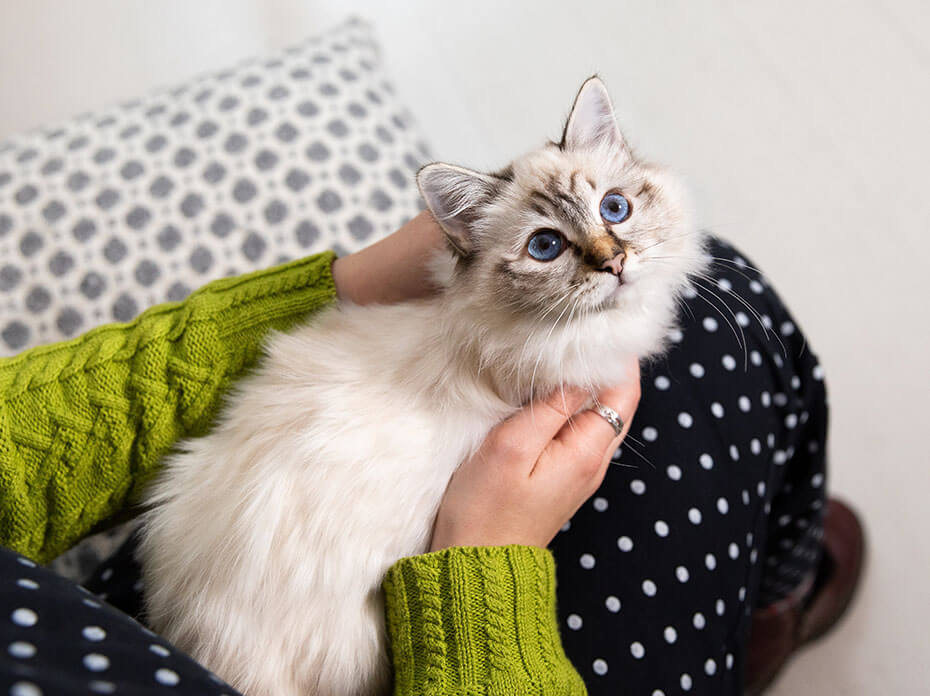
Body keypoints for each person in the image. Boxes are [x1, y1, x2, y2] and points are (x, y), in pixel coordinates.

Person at [0, 211, 863, 695]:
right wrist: (486, 570)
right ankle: (773, 606)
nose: (609, 252)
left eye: (612, 212)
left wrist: (338, 289)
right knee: (718, 327)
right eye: (556, 243)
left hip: (147, 624)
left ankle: (770, 595)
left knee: (711, 297)